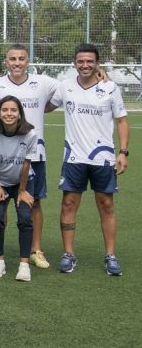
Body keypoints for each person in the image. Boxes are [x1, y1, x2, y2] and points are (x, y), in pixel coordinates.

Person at [47, 43, 129, 276]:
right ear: (74, 64)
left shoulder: (110, 88)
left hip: (103, 158)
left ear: (97, 63)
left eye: (89, 61)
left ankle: (111, 256)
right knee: (69, 204)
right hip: (73, 157)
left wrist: (123, 152)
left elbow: (122, 121)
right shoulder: (65, 87)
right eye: (80, 61)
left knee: (106, 205)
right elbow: (45, 107)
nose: (85, 65)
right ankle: (68, 254)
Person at [0, 44, 58, 269]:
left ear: (27, 61)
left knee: (34, 203)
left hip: (34, 154)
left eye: (21, 58)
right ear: (6, 62)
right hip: (3, 156)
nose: (17, 63)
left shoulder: (42, 82)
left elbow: (65, 93)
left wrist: (44, 107)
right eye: (12, 59)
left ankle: (36, 250)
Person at [0, 96, 36, 281]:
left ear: (19, 114)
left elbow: (26, 164)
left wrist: (22, 191)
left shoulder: (30, 134)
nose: (9, 113)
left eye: (13, 110)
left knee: (24, 218)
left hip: (22, 182)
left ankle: (24, 265)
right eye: (4, 110)